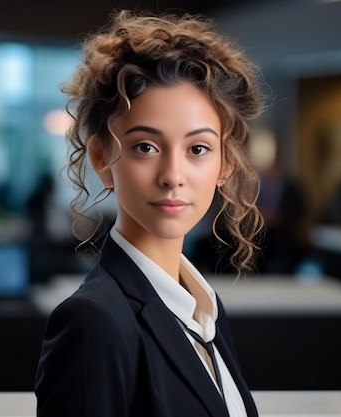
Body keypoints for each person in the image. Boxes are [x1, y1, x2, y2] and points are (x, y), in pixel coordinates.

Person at [35, 9, 265, 417]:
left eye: (198, 149)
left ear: (225, 164)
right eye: (146, 147)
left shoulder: (203, 311)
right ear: (102, 159)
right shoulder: (93, 323)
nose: (172, 176)